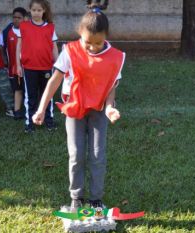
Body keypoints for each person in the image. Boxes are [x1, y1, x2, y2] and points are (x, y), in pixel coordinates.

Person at [32, 0, 125, 211]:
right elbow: (54, 81)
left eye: (98, 44)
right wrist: (41, 108)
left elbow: (111, 87)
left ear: (106, 37)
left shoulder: (115, 58)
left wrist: (110, 107)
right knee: (76, 155)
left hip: (99, 111)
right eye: (87, 43)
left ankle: (96, 199)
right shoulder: (70, 51)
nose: (92, 48)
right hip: (74, 109)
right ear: (79, 34)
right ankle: (76, 197)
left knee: (97, 155)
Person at [16, 0, 59, 132]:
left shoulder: (50, 27)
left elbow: (54, 48)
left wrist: (58, 65)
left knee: (47, 95)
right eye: (34, 10)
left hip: (46, 67)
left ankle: (49, 121)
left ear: (44, 11)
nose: (36, 13)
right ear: (30, 10)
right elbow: (19, 47)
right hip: (29, 67)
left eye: (39, 10)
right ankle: (29, 124)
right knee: (31, 97)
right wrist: (18, 65)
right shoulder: (23, 26)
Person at [3, 7, 28, 120]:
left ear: (25, 19)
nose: (16, 19)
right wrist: (5, 62)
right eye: (14, 17)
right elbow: (2, 47)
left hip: (29, 67)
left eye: (19, 18)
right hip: (13, 67)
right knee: (17, 89)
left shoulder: (29, 30)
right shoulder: (7, 31)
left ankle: (31, 110)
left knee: (29, 89)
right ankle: (17, 111)